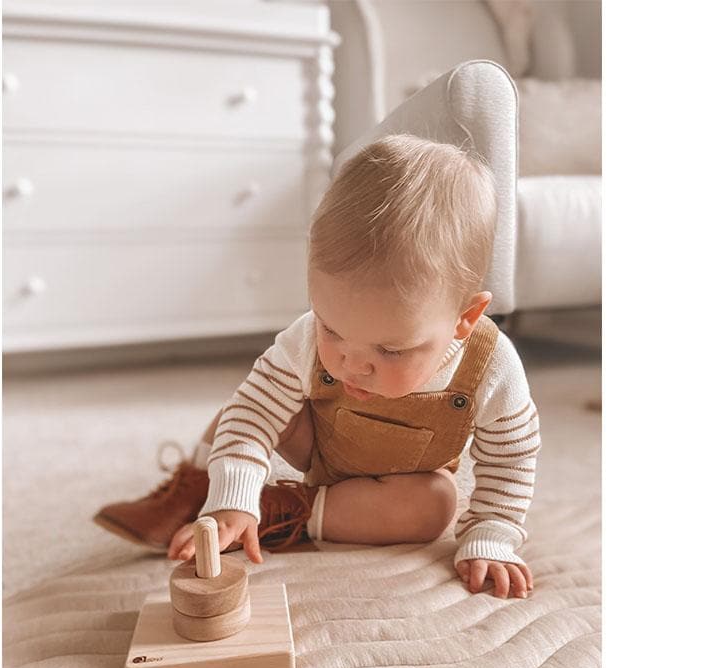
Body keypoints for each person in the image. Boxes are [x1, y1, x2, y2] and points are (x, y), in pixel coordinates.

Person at [94, 134, 540, 599]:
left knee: (434, 504)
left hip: (397, 481)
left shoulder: (490, 365)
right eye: (331, 328)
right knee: (253, 403)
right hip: (315, 441)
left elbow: (511, 456)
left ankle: (280, 509)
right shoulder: (306, 339)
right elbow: (252, 417)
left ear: (464, 319)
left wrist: (493, 531)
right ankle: (204, 488)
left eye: (389, 351)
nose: (350, 364)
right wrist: (231, 495)